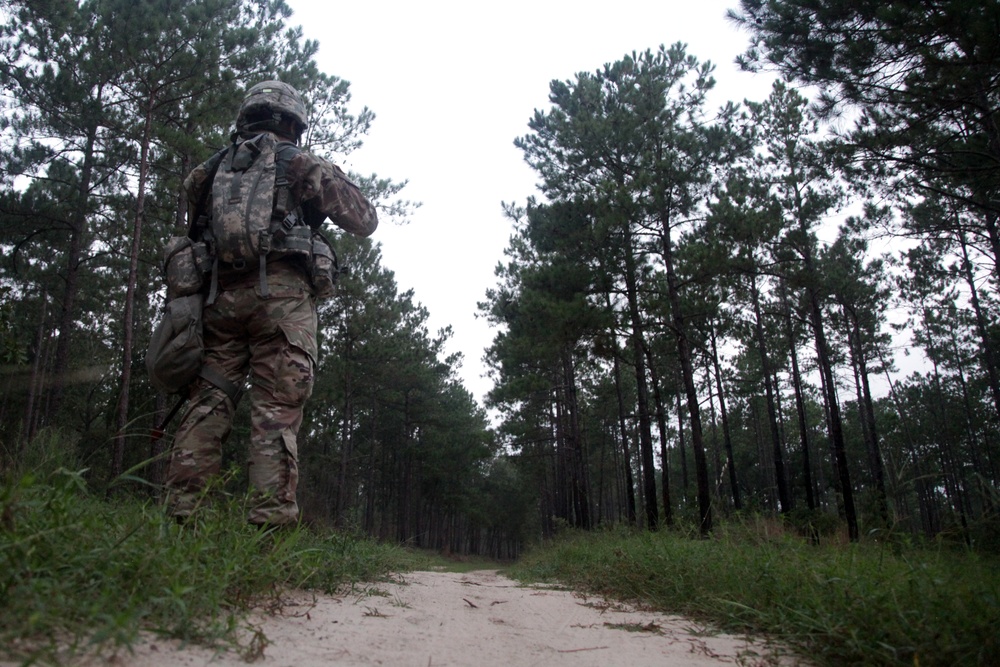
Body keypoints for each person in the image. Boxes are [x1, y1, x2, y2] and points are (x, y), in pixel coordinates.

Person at [165, 80, 377, 526]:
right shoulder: (299, 162)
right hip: (282, 307)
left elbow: (197, 230)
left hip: (218, 303)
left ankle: (183, 525)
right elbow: (364, 219)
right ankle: (267, 535)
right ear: (295, 124)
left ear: (246, 118)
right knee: (275, 415)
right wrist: (326, 173)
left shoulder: (206, 173)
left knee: (206, 405)